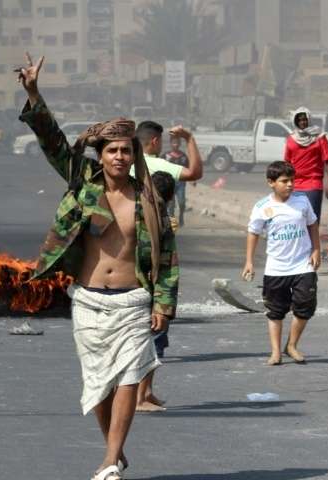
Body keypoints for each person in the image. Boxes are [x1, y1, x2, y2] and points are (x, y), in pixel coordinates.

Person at [17, 53, 178, 480]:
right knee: (99, 385)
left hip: (134, 302)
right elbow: (52, 142)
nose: (120, 157)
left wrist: (163, 304)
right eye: (112, 150)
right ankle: (114, 450)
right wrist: (34, 92)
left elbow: (167, 256)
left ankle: (109, 460)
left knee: (129, 377)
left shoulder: (149, 200)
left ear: (134, 154)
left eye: (126, 150)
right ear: (101, 155)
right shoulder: (82, 183)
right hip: (89, 301)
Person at [134, 121, 201, 412]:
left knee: (149, 336)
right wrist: (189, 139)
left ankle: (145, 393)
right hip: (147, 271)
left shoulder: (121, 169)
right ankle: (139, 397)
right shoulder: (158, 165)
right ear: (154, 141)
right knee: (150, 334)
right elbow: (195, 172)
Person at [242, 161, 320, 366]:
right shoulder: (262, 207)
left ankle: (291, 345)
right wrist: (249, 261)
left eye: (292, 180)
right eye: (284, 181)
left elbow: (312, 224)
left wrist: (316, 250)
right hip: (276, 268)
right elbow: (253, 233)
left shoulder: (302, 200)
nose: (290, 185)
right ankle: (276, 352)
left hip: (303, 264)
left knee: (306, 305)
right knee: (275, 311)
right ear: (271, 182)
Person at [284, 107, 328, 223]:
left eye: (304, 119)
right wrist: (285, 184)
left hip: (313, 184)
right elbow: (287, 164)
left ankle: (313, 236)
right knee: (296, 220)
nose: (302, 122)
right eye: (299, 120)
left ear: (309, 119)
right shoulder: (291, 139)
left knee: (312, 221)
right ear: (295, 121)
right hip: (295, 185)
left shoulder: (319, 138)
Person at [133, 120, 202, 183]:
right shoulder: (157, 165)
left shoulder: (130, 161)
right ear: (155, 142)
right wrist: (189, 137)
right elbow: (194, 174)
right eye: (161, 141)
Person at [162, 136, 191, 226]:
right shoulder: (165, 156)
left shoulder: (183, 156)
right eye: (174, 143)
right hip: (169, 183)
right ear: (171, 144)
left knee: (182, 202)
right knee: (171, 205)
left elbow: (188, 168)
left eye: (177, 143)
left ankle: (181, 215)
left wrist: (192, 179)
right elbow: (159, 167)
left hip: (180, 183)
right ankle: (172, 223)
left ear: (180, 144)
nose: (176, 145)